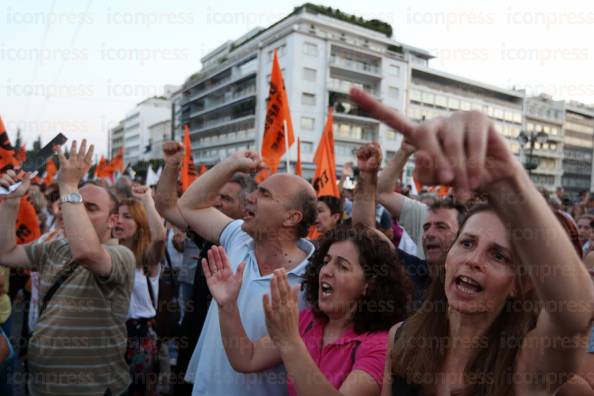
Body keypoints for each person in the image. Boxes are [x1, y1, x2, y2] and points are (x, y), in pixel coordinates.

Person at [348, 87, 594, 395]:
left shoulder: (529, 363)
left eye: (499, 256)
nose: (473, 260)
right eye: (466, 243)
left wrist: (510, 180)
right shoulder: (401, 338)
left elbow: (574, 313)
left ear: (519, 285)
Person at [202, 225, 411, 395]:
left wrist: (290, 342)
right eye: (326, 261)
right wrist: (228, 305)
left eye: (343, 266)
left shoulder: (379, 345)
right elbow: (246, 358)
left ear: (369, 284)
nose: (326, 271)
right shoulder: (308, 321)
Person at [0, 140, 136, 396]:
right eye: (75, 203)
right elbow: (5, 253)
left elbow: (86, 252)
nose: (77, 211)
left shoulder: (122, 256)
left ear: (113, 221)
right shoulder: (56, 247)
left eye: (91, 208)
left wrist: (69, 184)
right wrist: (11, 201)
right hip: (41, 387)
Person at [177, 150, 317, 396]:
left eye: (264, 194)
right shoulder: (237, 236)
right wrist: (232, 164)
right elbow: (189, 205)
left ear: (291, 217)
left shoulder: (312, 284)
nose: (250, 197)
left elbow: (249, 358)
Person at [154, 141, 256, 395]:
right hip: (193, 338)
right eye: (216, 196)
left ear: (248, 207)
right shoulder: (210, 233)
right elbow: (166, 206)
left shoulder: (259, 246)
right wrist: (172, 165)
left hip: (229, 355)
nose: (216, 203)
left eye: (226, 198)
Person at [114, 185, 166, 396]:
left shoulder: (147, 259)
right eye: (116, 215)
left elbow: (160, 236)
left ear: (139, 224)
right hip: (109, 337)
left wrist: (147, 201)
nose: (119, 220)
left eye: (126, 216)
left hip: (138, 339)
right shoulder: (104, 255)